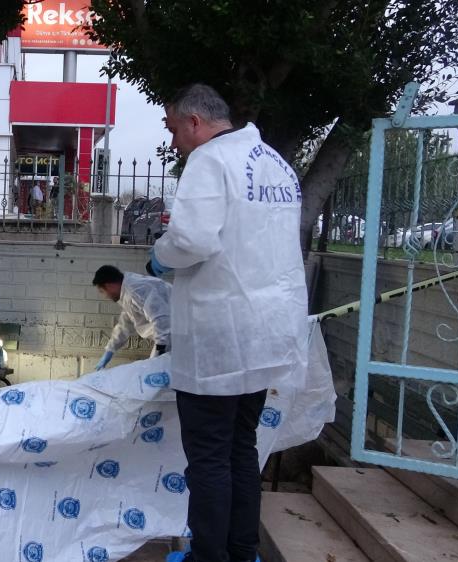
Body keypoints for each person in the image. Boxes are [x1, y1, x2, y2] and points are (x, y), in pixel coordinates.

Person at [150, 84, 308, 562]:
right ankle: (242, 552)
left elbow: (193, 240)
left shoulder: (210, 160)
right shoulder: (273, 162)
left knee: (209, 459)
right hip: (265, 335)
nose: (176, 142)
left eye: (175, 130)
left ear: (195, 121)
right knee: (241, 448)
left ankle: (208, 558)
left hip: (220, 338)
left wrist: (159, 254)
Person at [92, 265, 172, 370]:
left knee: (158, 375)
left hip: (177, 334)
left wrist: (160, 350)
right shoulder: (127, 291)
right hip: (171, 335)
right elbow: (124, 324)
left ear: (108, 286)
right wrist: (109, 351)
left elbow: (161, 319)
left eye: (103, 291)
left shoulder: (136, 290)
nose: (105, 296)